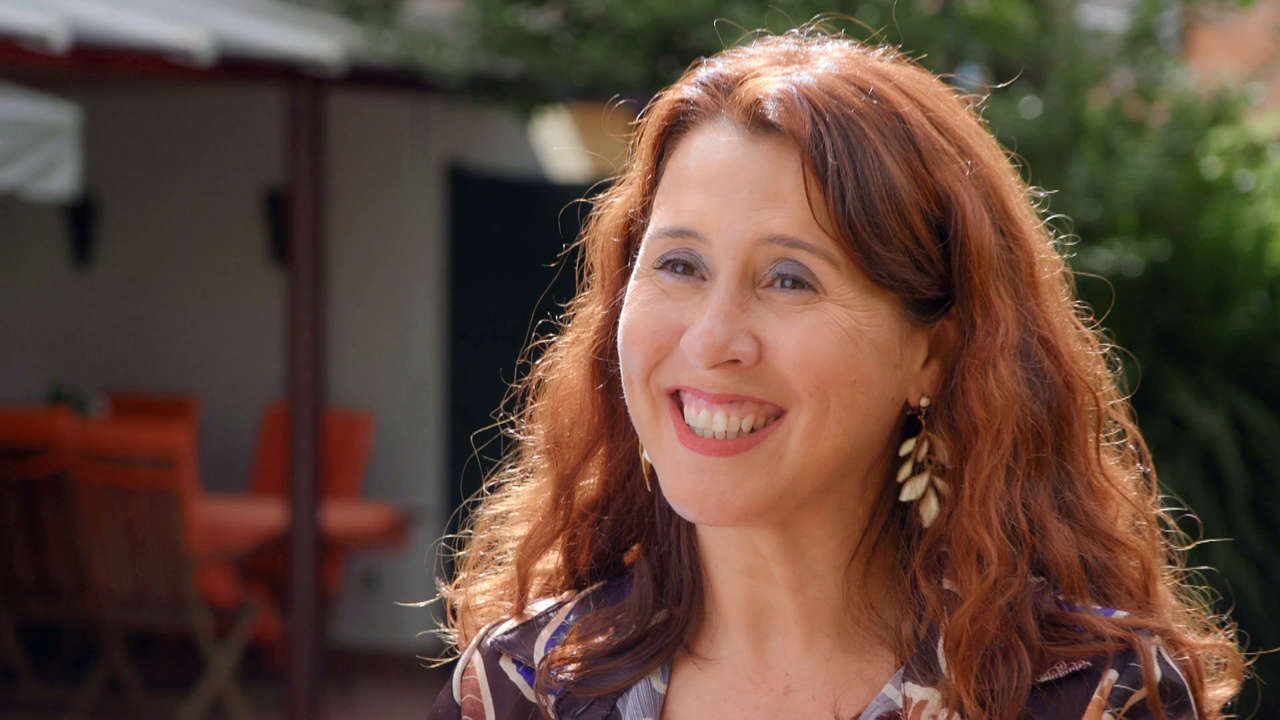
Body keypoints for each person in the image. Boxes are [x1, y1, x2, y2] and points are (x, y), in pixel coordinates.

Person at [428, 26, 1244, 720]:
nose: (712, 340)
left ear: (935, 354)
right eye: (679, 264)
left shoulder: (1091, 698)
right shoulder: (519, 688)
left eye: (789, 279)